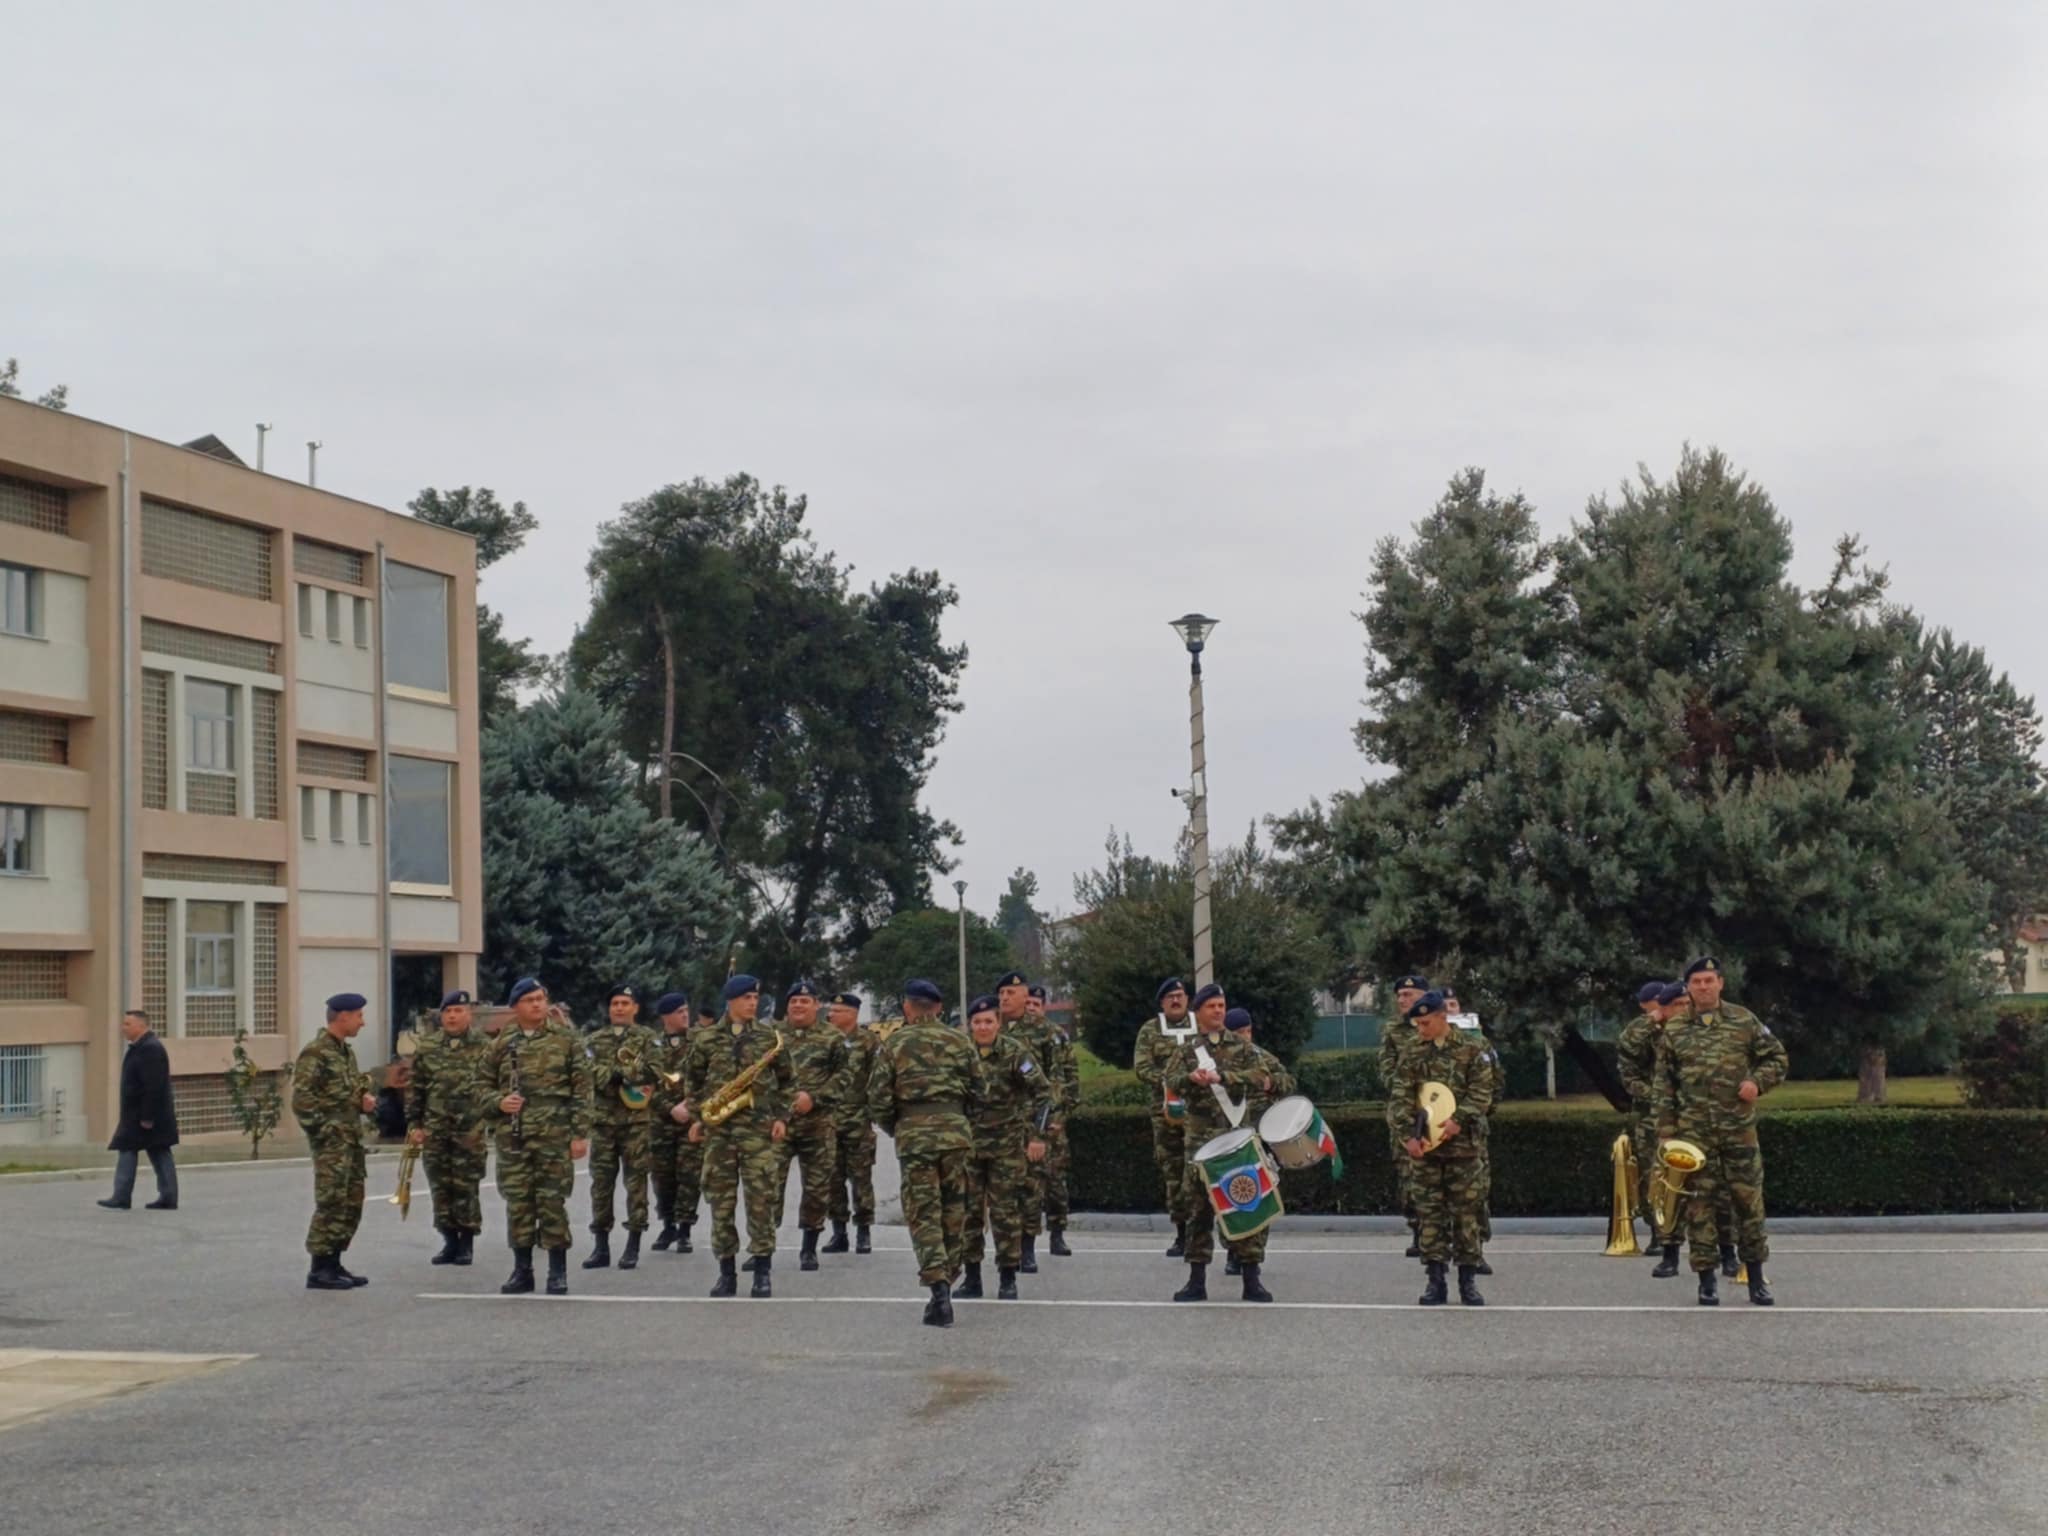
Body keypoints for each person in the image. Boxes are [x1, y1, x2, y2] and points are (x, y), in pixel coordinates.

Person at [1654, 957, 1789, 1306]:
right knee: (1700, 1207)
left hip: (1738, 1132)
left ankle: (1756, 1278)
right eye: (1696, 982)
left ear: (1720, 983)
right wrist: (1666, 1131)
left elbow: (1777, 1058)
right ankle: (1706, 1280)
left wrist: (1756, 1083)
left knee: (1749, 1204)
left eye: (1709, 980)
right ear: (1689, 988)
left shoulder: (1743, 1020)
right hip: (1694, 1135)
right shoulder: (1675, 1029)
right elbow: (1664, 1083)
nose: (1703, 987)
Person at [868, 978, 987, 1327]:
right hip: (955, 1136)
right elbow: (982, 1091)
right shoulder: (960, 1041)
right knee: (954, 1211)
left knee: (924, 1213)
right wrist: (960, 1120)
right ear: (938, 1007)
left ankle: (937, 1288)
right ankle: (948, 1279)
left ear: (907, 1007)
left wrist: (900, 1126)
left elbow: (877, 1098)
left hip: (915, 1137)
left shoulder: (894, 1043)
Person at [1165, 983, 1278, 1302]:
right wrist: (1191, 1079)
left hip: (1236, 1140)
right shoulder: (1187, 1050)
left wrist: (1225, 1078)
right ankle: (1196, 1280)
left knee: (1247, 1204)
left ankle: (1251, 1279)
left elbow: (1261, 1078)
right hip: (1200, 1142)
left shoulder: (1242, 1048)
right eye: (1211, 1006)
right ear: (1199, 1012)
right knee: (1198, 1211)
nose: (1218, 1010)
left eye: (1221, 1005)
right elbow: (1170, 1082)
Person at [683, 974, 794, 1298]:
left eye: (755, 998)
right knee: (720, 1203)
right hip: (719, 1134)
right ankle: (726, 1272)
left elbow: (789, 1081)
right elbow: (692, 1083)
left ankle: (762, 1271)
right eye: (746, 998)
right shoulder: (705, 1040)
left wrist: (782, 1117)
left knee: (761, 1201)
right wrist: (699, 1116)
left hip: (757, 1131)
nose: (752, 1003)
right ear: (730, 1001)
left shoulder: (769, 1039)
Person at [484, 977, 593, 1296]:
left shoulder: (566, 1039)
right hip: (513, 1136)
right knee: (518, 1204)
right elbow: (478, 1085)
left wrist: (579, 1133)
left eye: (541, 998)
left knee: (551, 1202)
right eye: (529, 999)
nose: (537, 1004)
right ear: (516, 1006)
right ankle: (522, 1270)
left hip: (554, 1135)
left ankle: (557, 1271)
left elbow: (583, 1090)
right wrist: (498, 1102)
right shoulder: (501, 1043)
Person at [1389, 990, 1497, 1306]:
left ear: (1441, 1017)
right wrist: (1408, 1136)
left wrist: (1459, 1119)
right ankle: (1435, 1281)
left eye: (1425, 1023)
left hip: (1464, 1148)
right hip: (1426, 1148)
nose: (1421, 1029)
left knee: (1467, 1214)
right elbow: (1401, 1097)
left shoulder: (1472, 1049)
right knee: (1429, 1214)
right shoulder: (1412, 1052)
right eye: (1417, 1024)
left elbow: (1481, 1091)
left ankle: (1468, 1281)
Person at [955, 993, 1051, 1301]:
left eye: (988, 1021)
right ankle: (971, 1277)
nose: (982, 1027)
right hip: (968, 1145)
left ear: (998, 1023)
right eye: (977, 1022)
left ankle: (1008, 1276)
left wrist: (1037, 1135)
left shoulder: (1014, 1052)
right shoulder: (961, 1053)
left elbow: (1043, 1094)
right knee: (968, 1212)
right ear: (970, 1025)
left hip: (1006, 1145)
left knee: (1005, 1212)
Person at [291, 993, 378, 1291]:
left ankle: (335, 1261)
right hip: (332, 1144)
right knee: (330, 1202)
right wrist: (325, 1133)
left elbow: (341, 1094)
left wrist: (361, 1101)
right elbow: (302, 1101)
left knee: (351, 1203)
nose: (362, 1022)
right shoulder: (315, 1053)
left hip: (350, 1141)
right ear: (343, 1016)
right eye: (359, 1016)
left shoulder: (344, 1052)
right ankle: (319, 1268)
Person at [404, 988, 489, 1265]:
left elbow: (495, 1085)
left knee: (466, 1186)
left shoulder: (484, 1046)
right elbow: (416, 1088)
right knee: (440, 1186)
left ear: (469, 1014)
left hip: (470, 1129)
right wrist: (415, 1123)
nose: (452, 1017)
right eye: (448, 1012)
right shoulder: (428, 1047)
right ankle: (448, 1240)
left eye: (458, 1011)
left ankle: (466, 1242)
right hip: (436, 1128)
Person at [584, 984, 661, 1271]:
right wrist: (623, 1074)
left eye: (625, 1003)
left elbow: (654, 1071)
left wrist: (617, 1075)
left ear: (635, 1008)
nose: (619, 1008)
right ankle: (600, 1246)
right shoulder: (594, 1039)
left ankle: (633, 1244)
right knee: (601, 1185)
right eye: (615, 1003)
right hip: (603, 1123)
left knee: (636, 1184)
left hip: (636, 1124)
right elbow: (590, 1072)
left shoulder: (647, 1038)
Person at [775, 980, 850, 1272]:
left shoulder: (833, 1038)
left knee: (817, 1188)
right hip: (779, 1123)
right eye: (793, 1001)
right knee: (768, 1187)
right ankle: (762, 1246)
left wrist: (815, 1098)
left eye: (804, 1001)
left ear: (816, 1006)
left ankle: (809, 1247)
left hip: (818, 1124)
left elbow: (845, 1077)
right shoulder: (773, 1036)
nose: (798, 1005)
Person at [1220, 1006, 1294, 1276]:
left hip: (1261, 1137)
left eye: (1247, 1031)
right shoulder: (1220, 1061)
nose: (1245, 1036)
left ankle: (1254, 1255)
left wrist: (1270, 1083)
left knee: (1260, 1196)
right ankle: (1232, 1251)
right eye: (1238, 1032)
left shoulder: (1264, 1058)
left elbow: (1288, 1081)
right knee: (1231, 1194)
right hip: (1231, 1138)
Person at [1131, 976, 1199, 1256]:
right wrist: (1170, 1080)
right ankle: (1181, 1234)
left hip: (1199, 1113)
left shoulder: (1201, 1025)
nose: (1176, 1000)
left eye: (1180, 996)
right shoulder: (1150, 1030)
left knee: (1199, 1171)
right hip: (1166, 1113)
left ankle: (1202, 1233)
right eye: (1170, 996)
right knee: (1173, 1172)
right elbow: (1142, 1067)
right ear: (1162, 1002)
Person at [1441, 986, 1503, 1275]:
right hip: (1437, 1130)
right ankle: (1441, 1252)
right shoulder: (1428, 1043)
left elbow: (1495, 1082)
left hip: (1473, 1131)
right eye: (1444, 1004)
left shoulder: (1479, 1042)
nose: (1450, 1008)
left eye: (1453, 1003)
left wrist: (1480, 1114)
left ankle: (1475, 1250)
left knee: (1475, 1193)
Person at [1617, 980, 1676, 1271]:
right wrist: (1656, 1096)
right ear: (1646, 1005)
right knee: (1652, 1172)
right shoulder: (1642, 1030)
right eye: (1658, 1002)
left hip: (1687, 1109)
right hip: (1650, 1114)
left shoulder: (1684, 1026)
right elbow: (1627, 1055)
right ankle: (1658, 1232)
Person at [100, 1009, 178, 1212]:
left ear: (141, 1026)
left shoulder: (150, 1049)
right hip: (138, 1113)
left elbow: (153, 1085)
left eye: (128, 1024)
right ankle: (164, 1196)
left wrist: (147, 1116)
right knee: (155, 1150)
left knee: (136, 1149)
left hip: (146, 1115)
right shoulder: (140, 1047)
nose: (123, 1028)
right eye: (123, 1023)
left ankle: (123, 1196)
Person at [821, 992, 880, 1255]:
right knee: (833, 1177)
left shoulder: (869, 1041)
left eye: (837, 1011)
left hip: (858, 1118)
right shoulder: (824, 1039)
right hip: (829, 1118)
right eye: (831, 1010)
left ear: (852, 1014)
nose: (831, 1015)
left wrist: (872, 1111)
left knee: (861, 1177)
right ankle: (839, 1231)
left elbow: (878, 1079)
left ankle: (864, 1230)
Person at [1024, 982, 1079, 1256]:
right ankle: (1028, 1244)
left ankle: (1057, 1235)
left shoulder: (1057, 1036)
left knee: (1056, 1184)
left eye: (1036, 1004)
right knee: (1029, 1187)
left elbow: (1068, 1078)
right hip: (1026, 1121)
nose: (1031, 1008)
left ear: (1043, 1007)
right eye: (1028, 1003)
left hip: (1053, 1122)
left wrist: (1063, 1114)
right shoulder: (1014, 1036)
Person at [1379, 974, 1431, 1256]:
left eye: (1408, 995)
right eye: (1399, 995)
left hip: (1438, 1108)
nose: (1402, 999)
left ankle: (1441, 1234)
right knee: (1407, 1175)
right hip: (1405, 1112)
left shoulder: (1438, 1025)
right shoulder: (1393, 1030)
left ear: (1424, 996)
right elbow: (1386, 1068)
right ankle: (1418, 1230)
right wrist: (1405, 1087)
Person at [649, 991, 701, 1254]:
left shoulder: (699, 1043)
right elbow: (642, 1087)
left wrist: (690, 1106)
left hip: (691, 1122)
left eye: (686, 1010)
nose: (685, 1015)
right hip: (660, 1123)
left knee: (689, 1176)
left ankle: (684, 1230)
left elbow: (710, 1077)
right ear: (665, 1017)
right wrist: (669, 1108)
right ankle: (667, 1224)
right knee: (662, 1178)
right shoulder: (651, 1047)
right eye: (679, 1012)